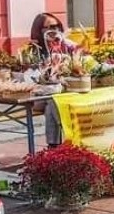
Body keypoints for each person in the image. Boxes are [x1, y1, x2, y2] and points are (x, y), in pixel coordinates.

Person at [28, 13, 77, 148]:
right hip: (38, 95)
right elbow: (31, 76)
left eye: (56, 26)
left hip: (60, 93)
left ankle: (54, 146)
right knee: (53, 100)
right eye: (49, 27)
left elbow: (80, 59)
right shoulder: (33, 50)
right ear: (39, 30)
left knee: (52, 104)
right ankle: (69, 135)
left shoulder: (65, 45)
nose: (54, 30)